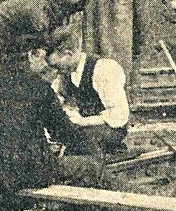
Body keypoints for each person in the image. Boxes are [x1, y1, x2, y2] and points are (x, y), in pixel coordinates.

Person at [0, 39, 99, 202]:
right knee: (89, 165)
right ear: (32, 55)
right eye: (45, 57)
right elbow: (65, 133)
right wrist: (91, 150)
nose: (50, 66)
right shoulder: (40, 88)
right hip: (23, 174)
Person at [47, 25, 131, 157]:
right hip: (87, 125)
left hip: (110, 127)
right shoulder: (65, 73)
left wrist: (82, 121)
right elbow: (55, 96)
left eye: (57, 66)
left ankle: (98, 170)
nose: (56, 71)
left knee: (83, 142)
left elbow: (119, 115)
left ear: (68, 54)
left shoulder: (103, 69)